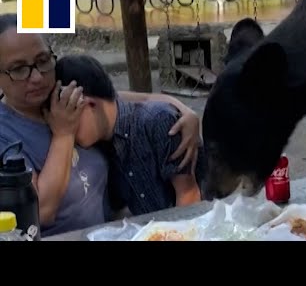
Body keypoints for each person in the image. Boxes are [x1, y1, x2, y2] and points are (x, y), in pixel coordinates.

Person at [0, 13, 201, 237]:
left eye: (42, 60)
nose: (37, 77)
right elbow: (41, 210)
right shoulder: (7, 134)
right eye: (18, 69)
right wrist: (64, 134)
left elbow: (113, 101)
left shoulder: (59, 96)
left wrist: (183, 110)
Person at [55, 54, 206, 217]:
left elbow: (188, 196)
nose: (66, 128)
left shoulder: (159, 123)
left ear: (88, 103)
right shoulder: (101, 145)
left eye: (70, 117)